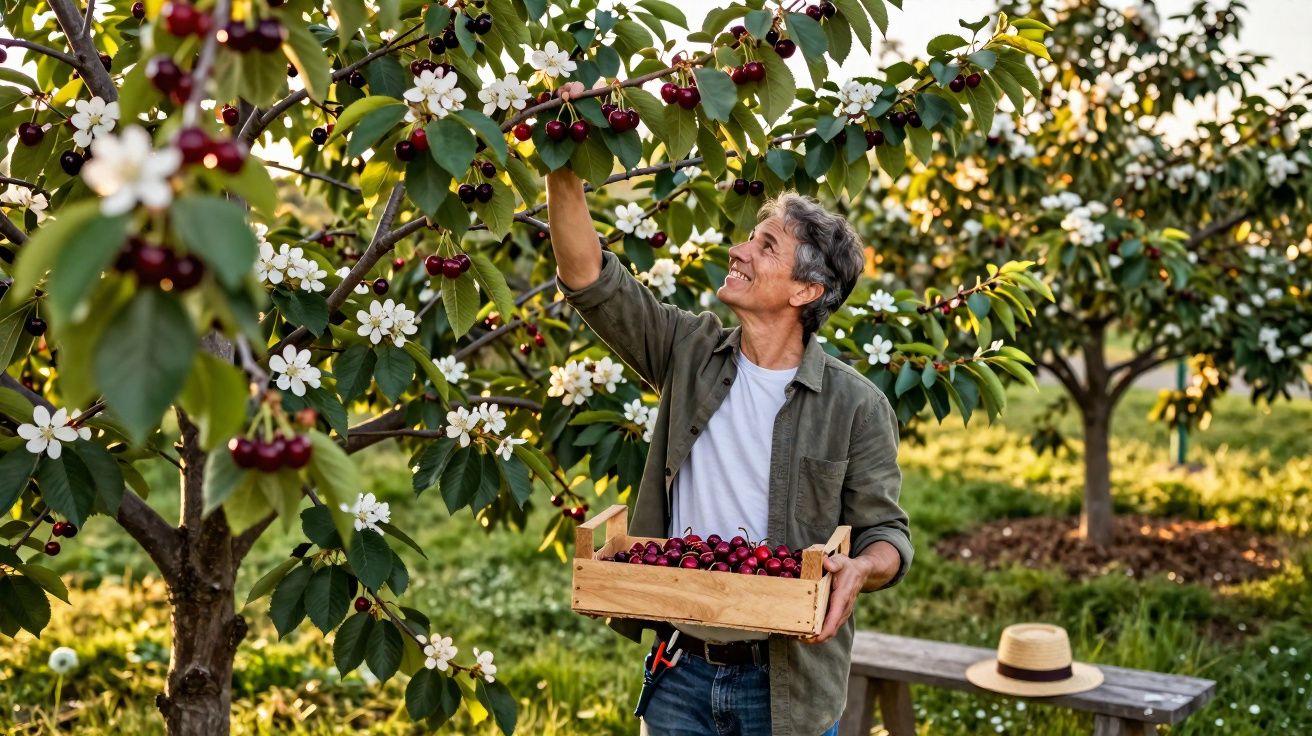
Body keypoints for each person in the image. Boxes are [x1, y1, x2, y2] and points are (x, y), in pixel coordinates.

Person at [546, 83, 911, 736]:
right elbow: (590, 280)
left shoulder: (857, 407)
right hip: (681, 667)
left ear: (806, 289)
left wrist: (861, 567)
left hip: (787, 687)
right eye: (750, 238)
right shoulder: (689, 352)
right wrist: (564, 170)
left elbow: (887, 536)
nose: (739, 251)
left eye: (765, 247)